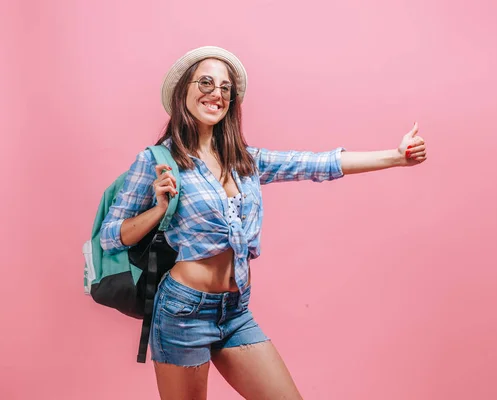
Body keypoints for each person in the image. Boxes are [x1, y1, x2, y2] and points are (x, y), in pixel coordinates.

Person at [100, 46, 427, 400]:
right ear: (184, 91)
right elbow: (110, 236)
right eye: (206, 82)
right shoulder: (156, 160)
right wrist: (158, 209)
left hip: (235, 310)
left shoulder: (244, 160)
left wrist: (395, 158)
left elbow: (316, 164)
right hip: (182, 312)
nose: (216, 94)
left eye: (226, 88)